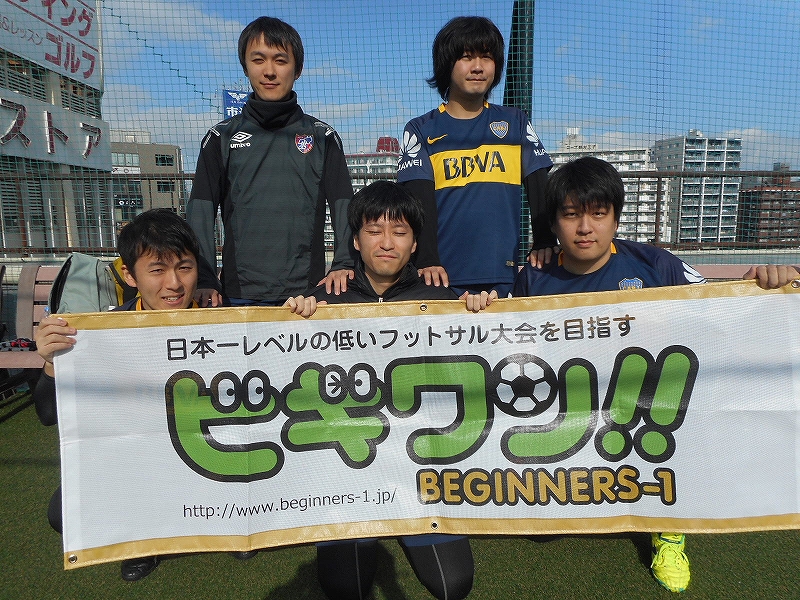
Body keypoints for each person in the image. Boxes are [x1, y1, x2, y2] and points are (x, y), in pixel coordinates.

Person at [510, 156, 800, 593]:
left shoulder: (656, 265)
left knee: (684, 404)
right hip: (574, 405)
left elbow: (718, 309)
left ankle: (670, 529)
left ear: (616, 218)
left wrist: (758, 285)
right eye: (570, 215)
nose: (584, 228)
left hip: (645, 404)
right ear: (553, 223)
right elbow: (511, 348)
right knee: (544, 524)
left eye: (598, 214)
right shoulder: (535, 277)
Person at [286, 180, 491, 600]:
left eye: (399, 232)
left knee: (453, 584)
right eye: (374, 231)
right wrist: (293, 318)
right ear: (355, 241)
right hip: (348, 466)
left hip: (422, 466)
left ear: (414, 244)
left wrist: (480, 315)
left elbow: (477, 365)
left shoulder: (440, 297)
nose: (386, 242)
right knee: (344, 587)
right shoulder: (324, 299)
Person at [32, 209, 256, 581]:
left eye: (184, 268)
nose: (174, 284)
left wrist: (301, 318)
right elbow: (47, 414)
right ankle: (143, 543)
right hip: (139, 458)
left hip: (210, 449)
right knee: (63, 513)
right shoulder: (102, 334)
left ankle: (232, 520)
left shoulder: (227, 326)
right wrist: (52, 362)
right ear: (129, 275)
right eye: (157, 270)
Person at [186, 16, 355, 308]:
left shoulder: (322, 136)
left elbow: (344, 206)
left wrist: (343, 263)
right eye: (258, 60)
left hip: (307, 296)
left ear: (297, 69)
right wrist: (205, 278)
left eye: (280, 60)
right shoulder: (220, 138)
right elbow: (201, 212)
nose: (269, 71)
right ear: (245, 66)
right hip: (238, 294)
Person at [397, 16, 555, 298]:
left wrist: (544, 239)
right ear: (446, 64)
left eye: (487, 57)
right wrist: (427, 259)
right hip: (440, 278)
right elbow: (417, 202)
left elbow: (539, 183)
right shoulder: (421, 129)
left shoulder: (515, 122)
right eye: (467, 57)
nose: (478, 67)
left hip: (504, 277)